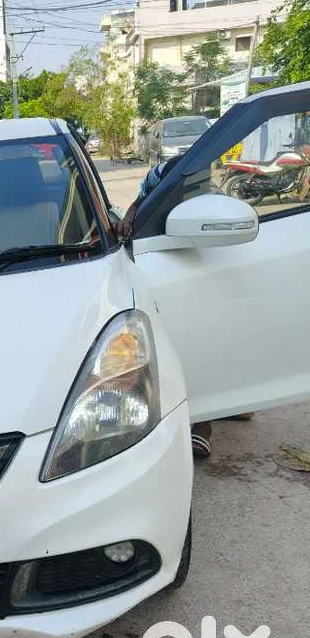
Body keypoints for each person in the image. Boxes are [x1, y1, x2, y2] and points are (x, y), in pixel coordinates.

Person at [114, 155, 220, 459]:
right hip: (164, 271)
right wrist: (129, 220)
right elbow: (136, 206)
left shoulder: (209, 197)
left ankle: (205, 421)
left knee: (206, 342)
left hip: (204, 270)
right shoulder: (157, 179)